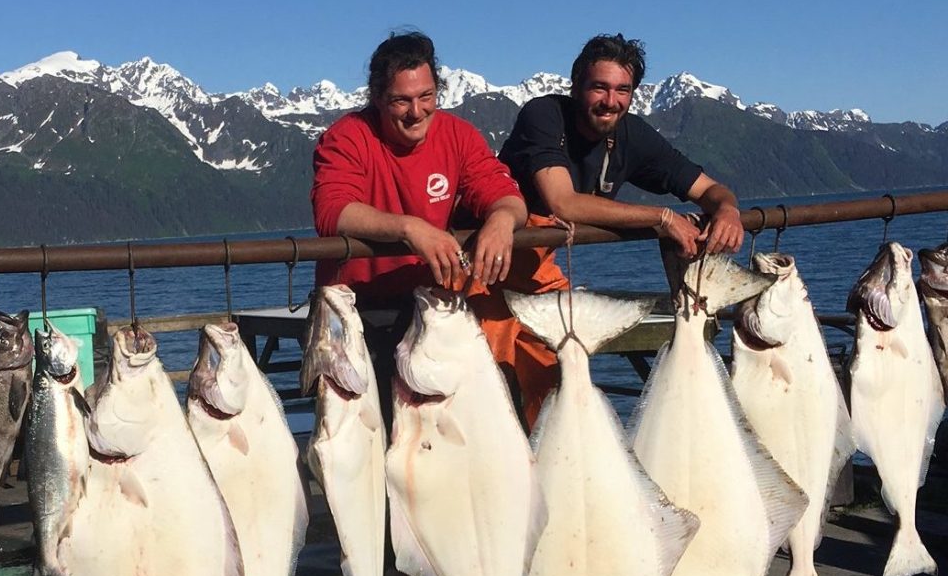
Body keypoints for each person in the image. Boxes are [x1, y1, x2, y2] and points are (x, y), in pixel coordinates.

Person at [482, 32, 744, 426]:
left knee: (559, 383)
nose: (610, 101)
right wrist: (663, 217)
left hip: (538, 272)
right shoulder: (544, 115)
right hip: (483, 268)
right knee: (486, 383)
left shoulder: (632, 135)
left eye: (623, 90)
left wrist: (728, 210)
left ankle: (549, 473)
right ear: (576, 87)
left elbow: (708, 189)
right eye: (599, 87)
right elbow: (563, 202)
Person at [310, 29, 527, 411]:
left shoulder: (458, 135)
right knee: (370, 441)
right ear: (377, 98)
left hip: (433, 309)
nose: (416, 111)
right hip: (358, 313)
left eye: (426, 97)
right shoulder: (346, 137)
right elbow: (332, 211)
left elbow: (505, 195)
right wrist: (411, 228)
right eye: (401, 101)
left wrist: (502, 220)